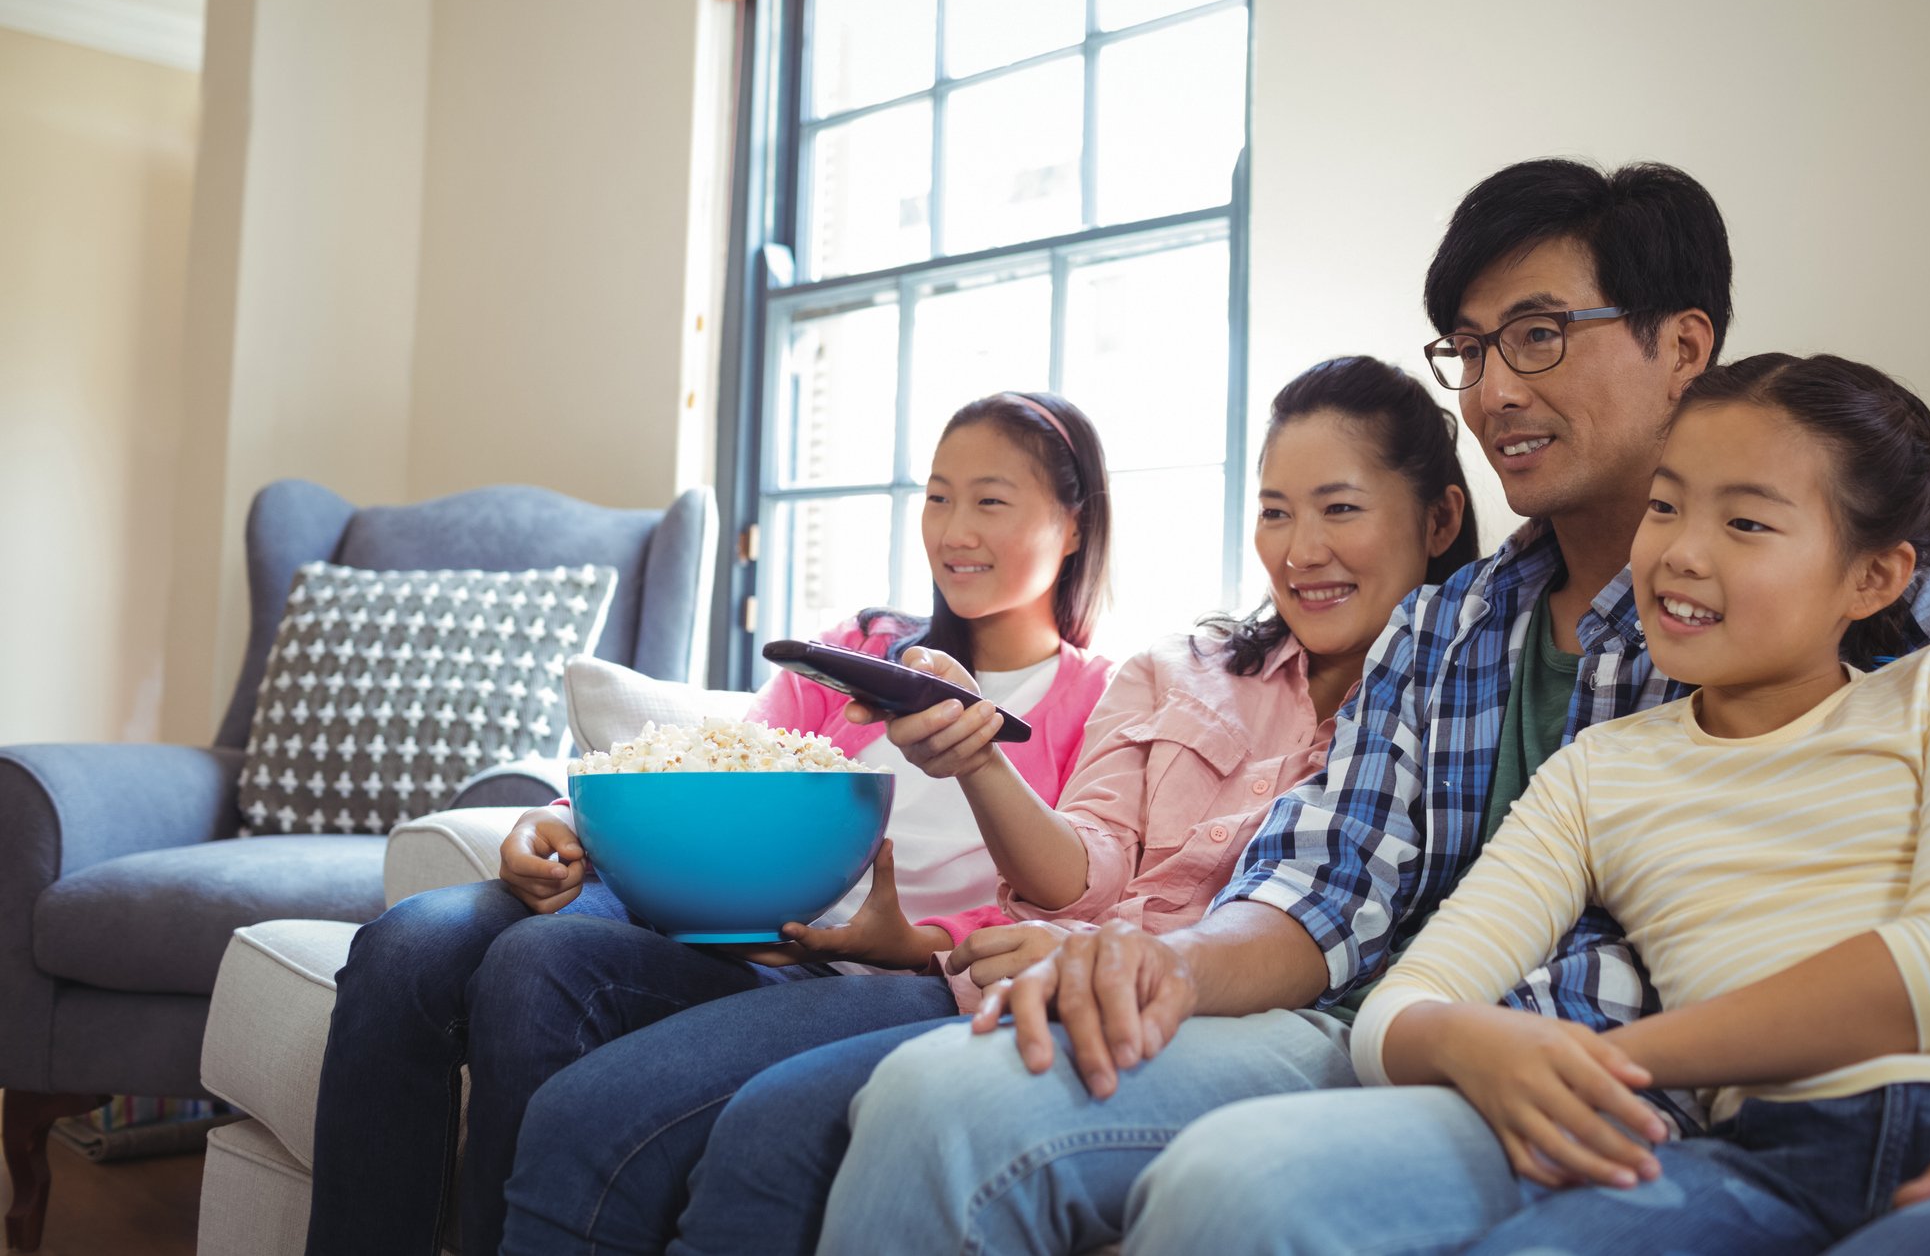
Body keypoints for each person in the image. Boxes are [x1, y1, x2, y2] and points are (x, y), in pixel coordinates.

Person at [807, 159, 1930, 1256]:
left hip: (1602, 1068)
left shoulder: (1869, 585)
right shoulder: (1447, 623)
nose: (1492, 391)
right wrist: (1167, 963)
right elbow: (1328, 884)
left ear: (1683, 344)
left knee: (1250, 1191)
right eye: (1471, 350)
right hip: (1389, 1028)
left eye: (1540, 334)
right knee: (937, 1093)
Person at [495, 354, 1479, 1254]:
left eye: (1338, 509)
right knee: (563, 1032)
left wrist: (943, 938)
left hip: (1160, 1003)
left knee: (766, 1131)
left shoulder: (1458, 696)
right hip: (1013, 978)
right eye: (1274, 511)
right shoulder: (1178, 671)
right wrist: (978, 757)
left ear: (1437, 518)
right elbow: (1079, 874)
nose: (1300, 548)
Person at [1131, 353, 1930, 1255]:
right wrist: (1473, 1042)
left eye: (1745, 524)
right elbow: (1405, 1005)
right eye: (1664, 507)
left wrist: (1623, 1059)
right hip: (1759, 1157)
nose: (1680, 554)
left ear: (1872, 577)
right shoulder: (1598, 769)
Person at [303, 390, 1116, 1256]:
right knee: (404, 946)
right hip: (693, 905)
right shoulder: (860, 649)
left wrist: (920, 940)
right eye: (937, 495)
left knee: (540, 960)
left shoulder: (1101, 702)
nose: (953, 530)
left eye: (990, 501)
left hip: (840, 970)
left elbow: (1072, 900)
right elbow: (719, 762)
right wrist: (558, 822)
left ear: (1073, 526)